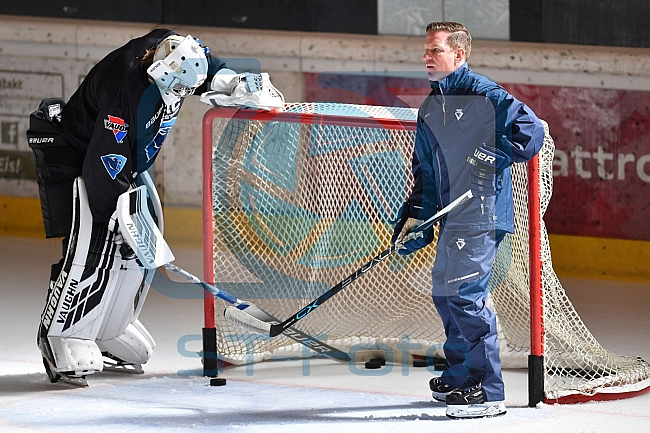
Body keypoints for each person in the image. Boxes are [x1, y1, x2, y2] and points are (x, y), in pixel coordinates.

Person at [26, 29, 281, 386]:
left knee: (131, 258)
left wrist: (235, 82)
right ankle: (64, 334)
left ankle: (108, 327)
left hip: (122, 165)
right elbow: (102, 167)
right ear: (160, 71)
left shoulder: (175, 48)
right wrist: (117, 216)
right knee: (96, 246)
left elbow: (205, 66)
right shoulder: (125, 95)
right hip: (79, 162)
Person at [392, 22, 544, 419]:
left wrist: (493, 155)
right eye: (425, 50)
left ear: (459, 55)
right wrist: (415, 220)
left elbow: (530, 130)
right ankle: (463, 374)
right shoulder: (429, 107)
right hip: (450, 217)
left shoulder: (483, 93)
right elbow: (425, 171)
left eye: (435, 50)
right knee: (446, 296)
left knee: (464, 296)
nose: (426, 57)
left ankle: (488, 389)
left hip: (480, 214)